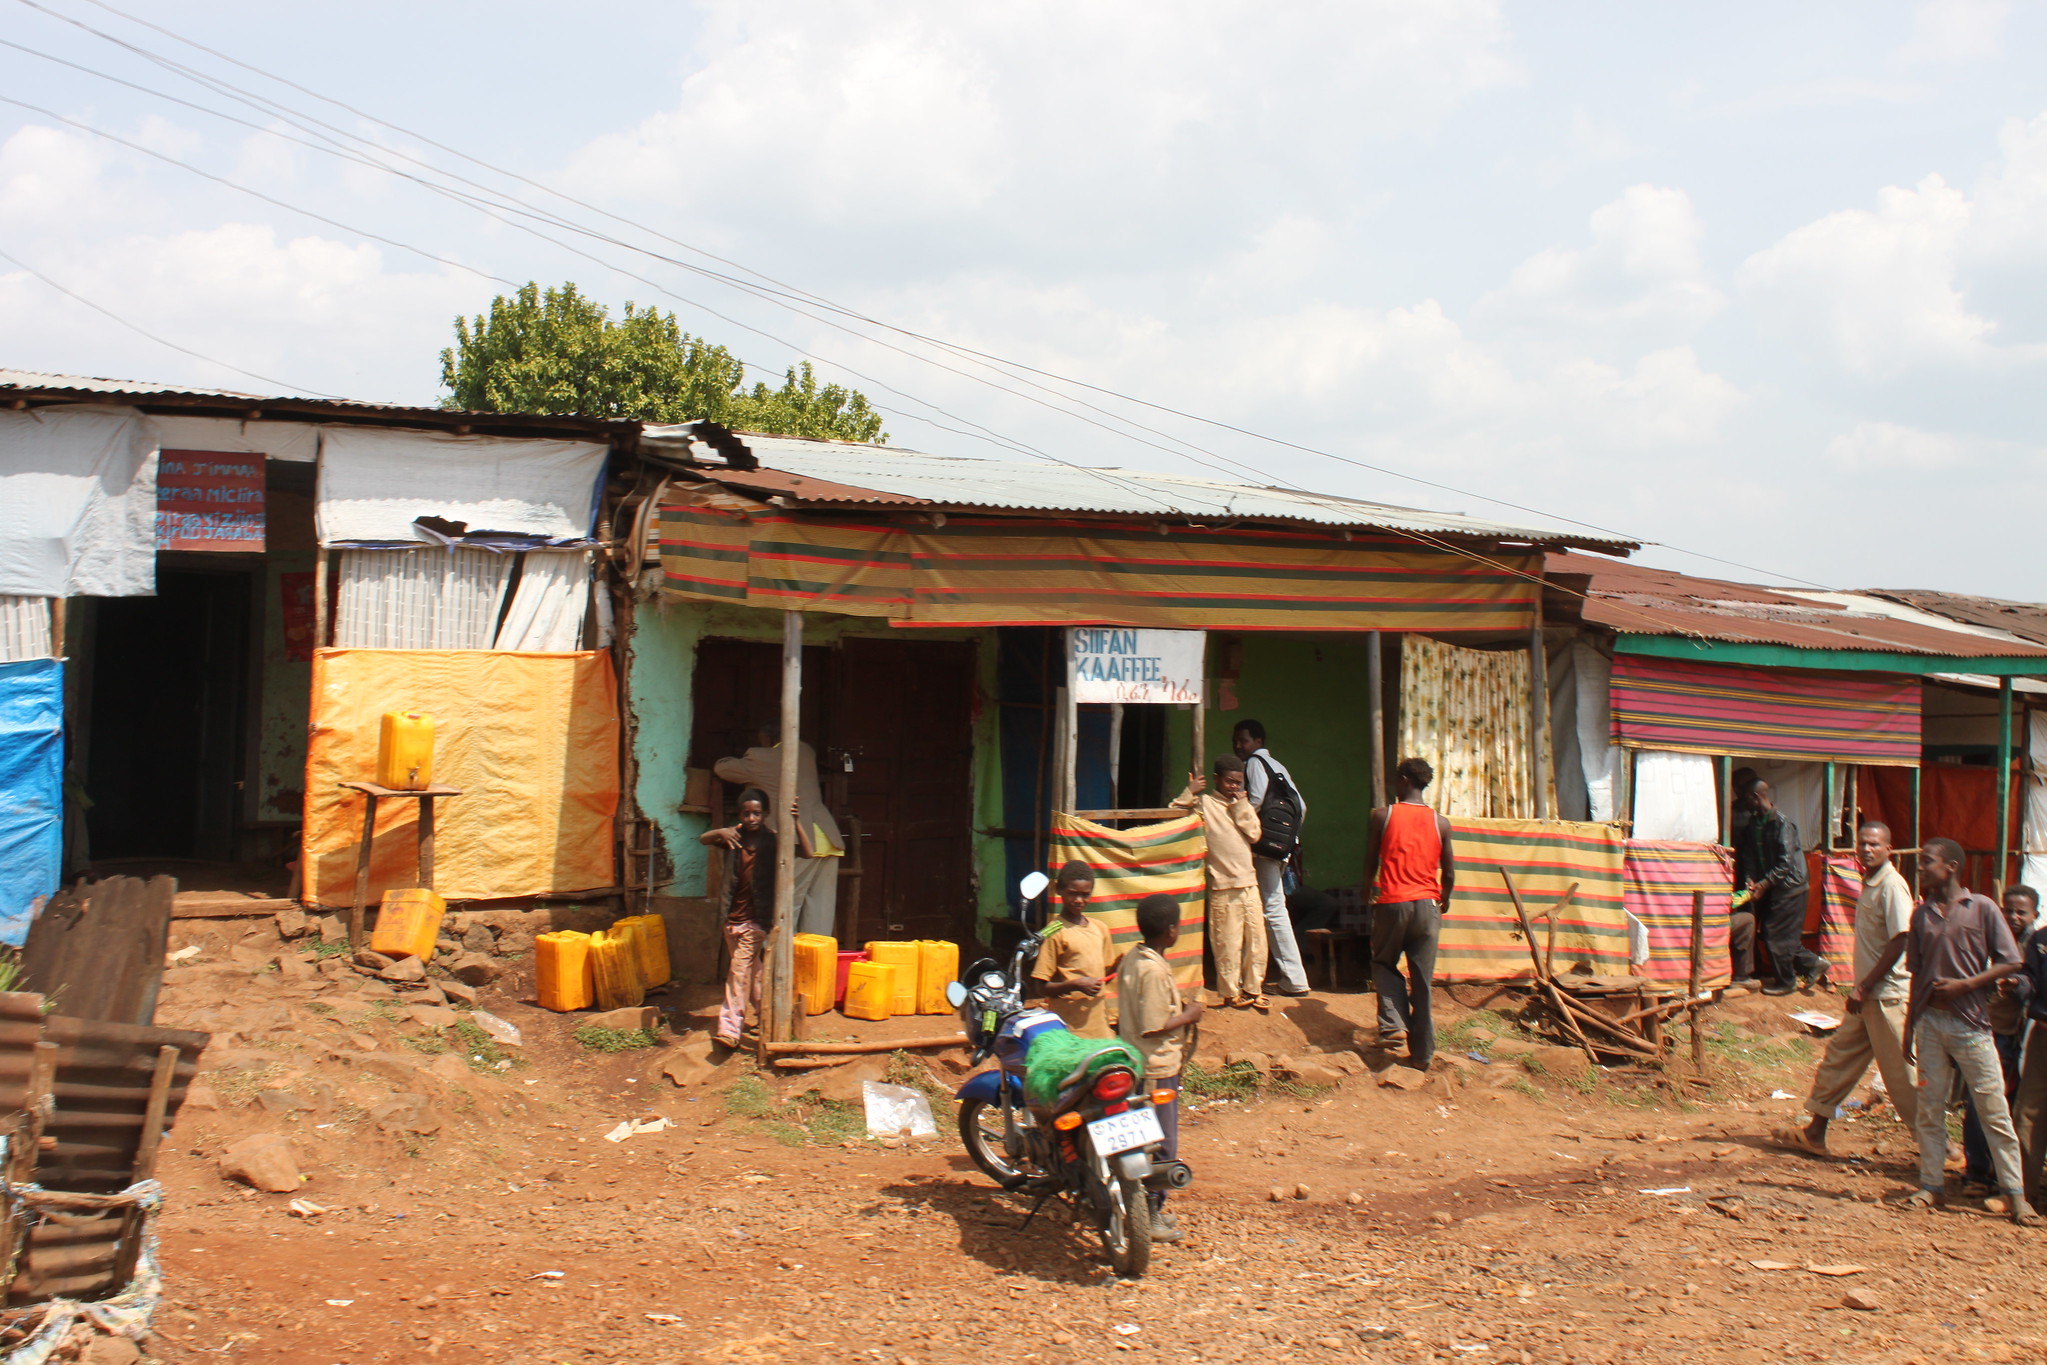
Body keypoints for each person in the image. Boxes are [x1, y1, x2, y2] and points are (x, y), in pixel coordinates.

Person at [1890, 837, 2036, 1223]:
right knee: (1930, 1108)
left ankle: (2015, 1195)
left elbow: (2011, 962)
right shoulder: (1921, 915)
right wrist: (1909, 1028)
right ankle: (1931, 1185)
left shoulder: (1983, 908)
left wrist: (1967, 985)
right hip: (1930, 1024)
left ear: (1951, 866)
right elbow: (1918, 975)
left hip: (1972, 1025)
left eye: (1926, 863)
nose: (1920, 869)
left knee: (1993, 1110)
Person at [1772, 821, 1917, 1156]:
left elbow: (1901, 938)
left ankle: (1943, 1149)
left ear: (1888, 849)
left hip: (1888, 996)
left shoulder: (1893, 885)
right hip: (1867, 996)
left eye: (1874, 845)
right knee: (1839, 1061)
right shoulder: (1869, 881)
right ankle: (1815, 1132)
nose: (1866, 849)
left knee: (1902, 1077)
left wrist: (1864, 986)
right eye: (1862, 844)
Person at [1117, 892, 1204, 1244]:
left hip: (1141, 1063)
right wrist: (1189, 1015)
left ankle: (1147, 1210)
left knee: (1148, 1139)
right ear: (1170, 931)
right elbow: (1154, 1023)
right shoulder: (1151, 970)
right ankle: (1149, 1213)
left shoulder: (1136, 957)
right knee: (1161, 1143)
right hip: (1156, 1068)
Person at [1362, 756, 1456, 1067]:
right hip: (1428, 906)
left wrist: (1366, 890)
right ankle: (1423, 1054)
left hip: (1393, 904)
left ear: (1403, 780)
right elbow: (1450, 872)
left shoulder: (1382, 816)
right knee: (1422, 981)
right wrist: (1445, 897)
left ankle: (1394, 1025)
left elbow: (1371, 860)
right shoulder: (1440, 822)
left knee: (1384, 962)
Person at [714, 721, 844, 938]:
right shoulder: (806, 751)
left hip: (798, 841)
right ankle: (815, 964)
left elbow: (723, 768)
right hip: (826, 838)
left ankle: (777, 967)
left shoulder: (761, 758)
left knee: (785, 906)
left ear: (766, 740)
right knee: (819, 912)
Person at [1959, 886, 2040, 1193]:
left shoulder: (2037, 944)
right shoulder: (1992, 939)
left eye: (2022, 912)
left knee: (2014, 1106)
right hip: (1996, 1033)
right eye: (2009, 910)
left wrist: (2018, 984)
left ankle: (2002, 1172)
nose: (2014, 916)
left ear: (2035, 915)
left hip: (2024, 1037)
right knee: (1982, 1102)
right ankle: (1978, 1172)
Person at [1170, 755, 1266, 1010]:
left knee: (1257, 941)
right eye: (1229, 781)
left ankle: (1254, 989)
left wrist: (1241, 805)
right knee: (1227, 944)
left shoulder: (1241, 804)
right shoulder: (1205, 804)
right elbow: (1174, 816)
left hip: (1249, 884)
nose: (1233, 786)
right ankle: (1230, 993)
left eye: (1238, 782)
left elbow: (1255, 834)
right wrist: (1189, 792)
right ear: (1216, 779)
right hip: (1222, 886)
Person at [1233, 719, 1311, 997]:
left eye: (1244, 740)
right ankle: (1283, 974)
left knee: (1273, 908)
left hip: (1265, 848)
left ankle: (1294, 977)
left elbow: (1254, 801)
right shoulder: (1278, 766)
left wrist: (1238, 824)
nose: (1239, 746)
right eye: (1237, 740)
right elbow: (1301, 805)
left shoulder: (1254, 763)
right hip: (1282, 848)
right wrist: (1290, 839)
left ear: (1258, 742)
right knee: (1273, 907)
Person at [699, 788, 775, 1049]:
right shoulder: (733, 838)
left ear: (766, 814)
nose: (752, 817)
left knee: (738, 972)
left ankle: (730, 1028)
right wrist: (720, 831)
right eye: (747, 813)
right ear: (739, 815)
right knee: (753, 973)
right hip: (731, 919)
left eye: (757, 813)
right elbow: (703, 839)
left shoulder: (772, 841)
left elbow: (807, 852)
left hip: (757, 921)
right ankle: (769, 1018)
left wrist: (796, 824)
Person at [1735, 778, 1819, 996]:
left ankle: (1787, 981)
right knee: (1777, 934)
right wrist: (1750, 881)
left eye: (1745, 799)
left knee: (1775, 934)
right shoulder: (1755, 824)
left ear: (1756, 797)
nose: (1742, 804)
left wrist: (1763, 884)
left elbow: (1785, 863)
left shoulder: (1782, 823)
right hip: (1772, 886)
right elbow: (1750, 857)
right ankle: (1812, 964)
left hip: (1791, 886)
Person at [1028, 861, 1124, 1037]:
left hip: (1099, 1028)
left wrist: (1118, 968)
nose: (1079, 900)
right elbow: (1040, 987)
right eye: (1073, 894)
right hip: (1069, 1030)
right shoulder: (1055, 932)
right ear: (1059, 890)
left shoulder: (1100, 928)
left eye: (1085, 895)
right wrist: (1074, 985)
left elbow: (1102, 978)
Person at [2008, 895, 2047, 1204]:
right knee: (2028, 1112)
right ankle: (2024, 1195)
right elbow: (2030, 978)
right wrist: (2018, 983)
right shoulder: (2041, 941)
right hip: (2042, 1038)